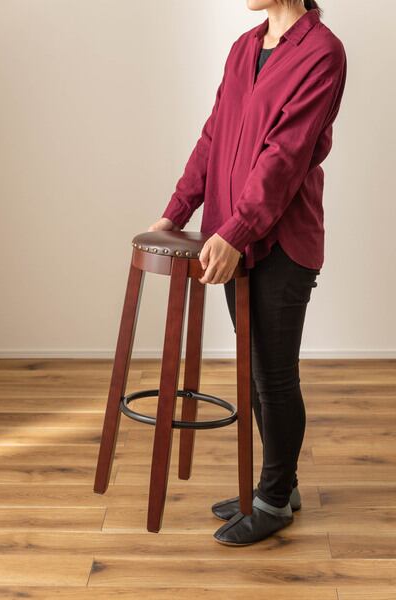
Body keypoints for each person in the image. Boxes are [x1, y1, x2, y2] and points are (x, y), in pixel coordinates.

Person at [148, 0, 347, 546]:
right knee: (255, 369)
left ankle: (274, 500)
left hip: (280, 239)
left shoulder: (323, 52)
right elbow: (214, 136)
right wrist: (176, 211)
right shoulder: (244, 48)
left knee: (273, 375)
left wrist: (236, 232)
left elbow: (286, 156)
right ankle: (280, 485)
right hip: (230, 237)